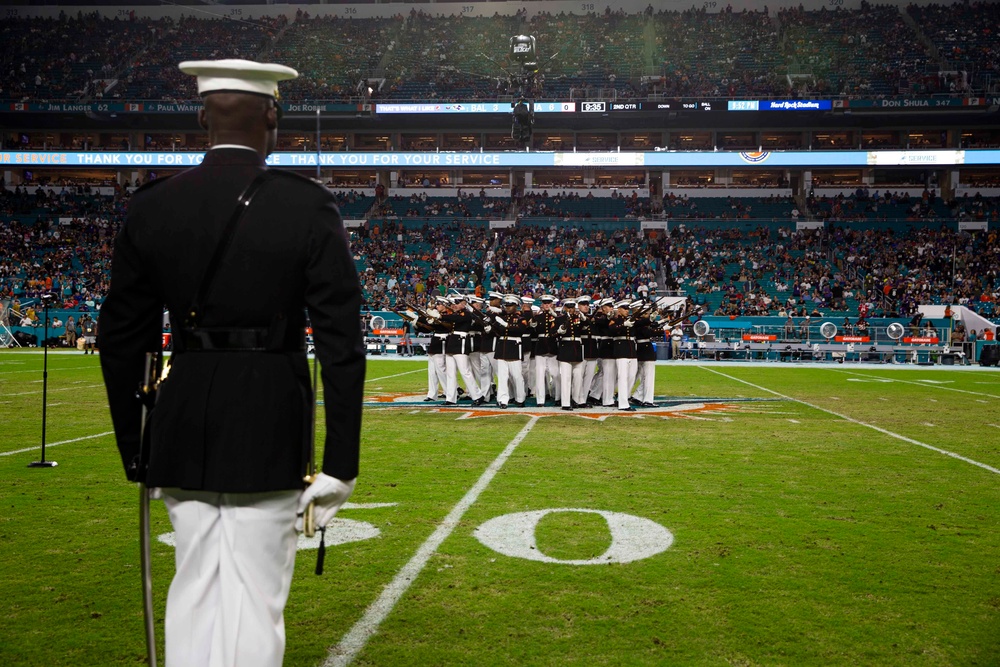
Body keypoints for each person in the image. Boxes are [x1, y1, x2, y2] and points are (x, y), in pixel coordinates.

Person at [98, 59, 365, 667]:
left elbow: (121, 338)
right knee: (254, 596)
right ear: (272, 113)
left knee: (192, 588)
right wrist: (341, 463)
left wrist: (135, 446)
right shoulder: (307, 206)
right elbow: (340, 344)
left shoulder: (154, 206)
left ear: (201, 116)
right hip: (268, 415)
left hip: (182, 419)